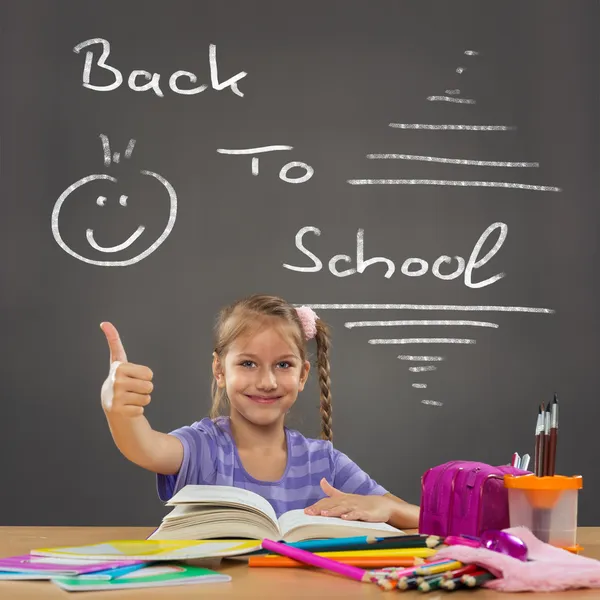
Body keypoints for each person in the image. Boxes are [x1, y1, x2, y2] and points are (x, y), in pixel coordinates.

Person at [100, 294, 419, 528]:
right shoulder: (204, 447)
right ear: (220, 370)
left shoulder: (325, 462)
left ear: (303, 374)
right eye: (248, 363)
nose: (266, 382)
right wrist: (120, 411)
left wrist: (385, 507)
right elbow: (145, 447)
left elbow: (421, 519)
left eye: (283, 365)